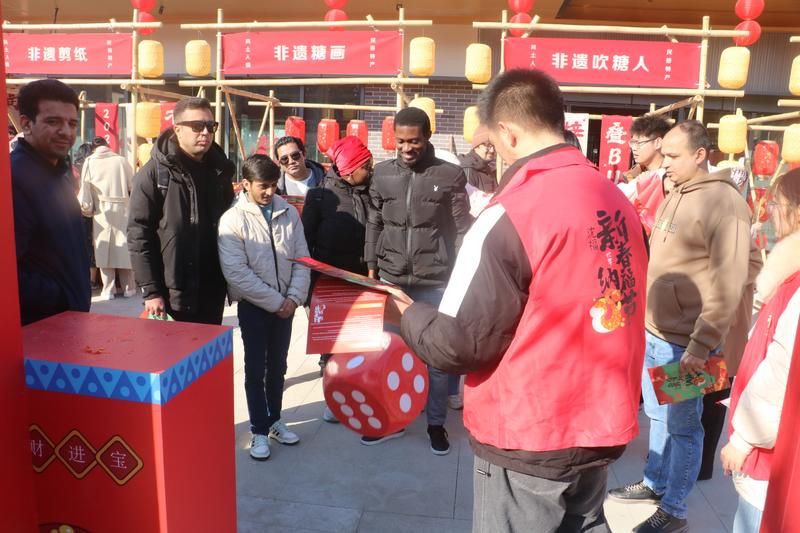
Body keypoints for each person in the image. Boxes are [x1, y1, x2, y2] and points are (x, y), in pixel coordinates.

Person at [387, 69, 648, 532]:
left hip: (531, 430)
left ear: (507, 132)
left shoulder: (513, 211)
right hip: (601, 420)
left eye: (494, 140)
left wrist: (408, 314)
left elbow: (459, 344)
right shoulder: (615, 198)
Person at [608, 121, 762, 533]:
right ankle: (656, 482)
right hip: (659, 333)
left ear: (700, 154)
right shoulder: (676, 190)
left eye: (674, 157)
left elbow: (731, 279)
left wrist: (702, 343)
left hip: (689, 344)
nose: (666, 164)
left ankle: (674, 509)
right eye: (665, 155)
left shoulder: (724, 203)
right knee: (659, 418)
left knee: (684, 427)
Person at [364, 106, 471, 455]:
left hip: (435, 281)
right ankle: (392, 420)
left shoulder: (449, 175)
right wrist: (371, 266)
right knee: (390, 354)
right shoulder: (382, 174)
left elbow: (461, 230)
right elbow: (375, 222)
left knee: (436, 359)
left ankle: (435, 424)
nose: (407, 148)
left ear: (427, 137)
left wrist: (461, 274)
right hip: (392, 278)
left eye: (414, 141)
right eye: (401, 141)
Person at [719, 168, 800, 533]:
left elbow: (780, 373)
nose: (770, 213)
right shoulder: (785, 271)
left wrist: (744, 437)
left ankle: (672, 501)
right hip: (724, 345)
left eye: (777, 204)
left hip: (712, 340)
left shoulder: (792, 280)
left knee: (685, 418)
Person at [218, 154, 310, 461]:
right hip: (255, 307)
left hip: (286, 306)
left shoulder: (288, 212)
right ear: (246, 184)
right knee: (256, 369)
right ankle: (258, 428)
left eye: (273, 185)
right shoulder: (233, 219)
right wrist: (276, 302)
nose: (270, 191)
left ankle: (274, 420)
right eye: (263, 186)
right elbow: (236, 273)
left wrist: (293, 298)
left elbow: (302, 258)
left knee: (278, 367)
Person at [128, 97, 235, 324]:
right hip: (172, 293)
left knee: (209, 347)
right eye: (197, 126)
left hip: (212, 289)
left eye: (210, 126)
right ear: (177, 129)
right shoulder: (154, 174)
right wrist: (151, 291)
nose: (205, 133)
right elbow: (139, 234)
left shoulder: (221, 170)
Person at [302, 135, 373, 416]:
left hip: (363, 280)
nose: (370, 170)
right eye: (366, 166)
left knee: (360, 342)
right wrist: (308, 290)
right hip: (329, 283)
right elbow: (304, 244)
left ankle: (360, 395)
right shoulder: (320, 197)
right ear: (350, 169)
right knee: (332, 344)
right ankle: (333, 400)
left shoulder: (370, 191)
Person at [12, 79, 91, 325]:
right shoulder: (14, 179)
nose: (66, 132)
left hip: (66, 323)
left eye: (72, 123)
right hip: (37, 328)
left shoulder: (59, 173)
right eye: (53, 122)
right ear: (26, 124)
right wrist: (60, 298)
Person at [78, 137, 135, 300]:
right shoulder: (121, 160)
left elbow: (85, 188)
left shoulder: (90, 162)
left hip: (102, 211)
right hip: (123, 208)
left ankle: (108, 290)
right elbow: (133, 185)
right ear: (108, 146)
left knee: (104, 250)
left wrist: (87, 208)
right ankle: (129, 288)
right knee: (124, 250)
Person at [622, 115, 671, 183]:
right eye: (633, 143)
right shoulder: (633, 174)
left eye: (639, 143)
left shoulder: (670, 176)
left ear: (658, 143)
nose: (634, 148)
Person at [458, 125, 497, 194]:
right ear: (476, 146)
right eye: (488, 146)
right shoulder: (468, 169)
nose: (492, 150)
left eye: (494, 146)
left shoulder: (489, 169)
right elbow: (468, 197)